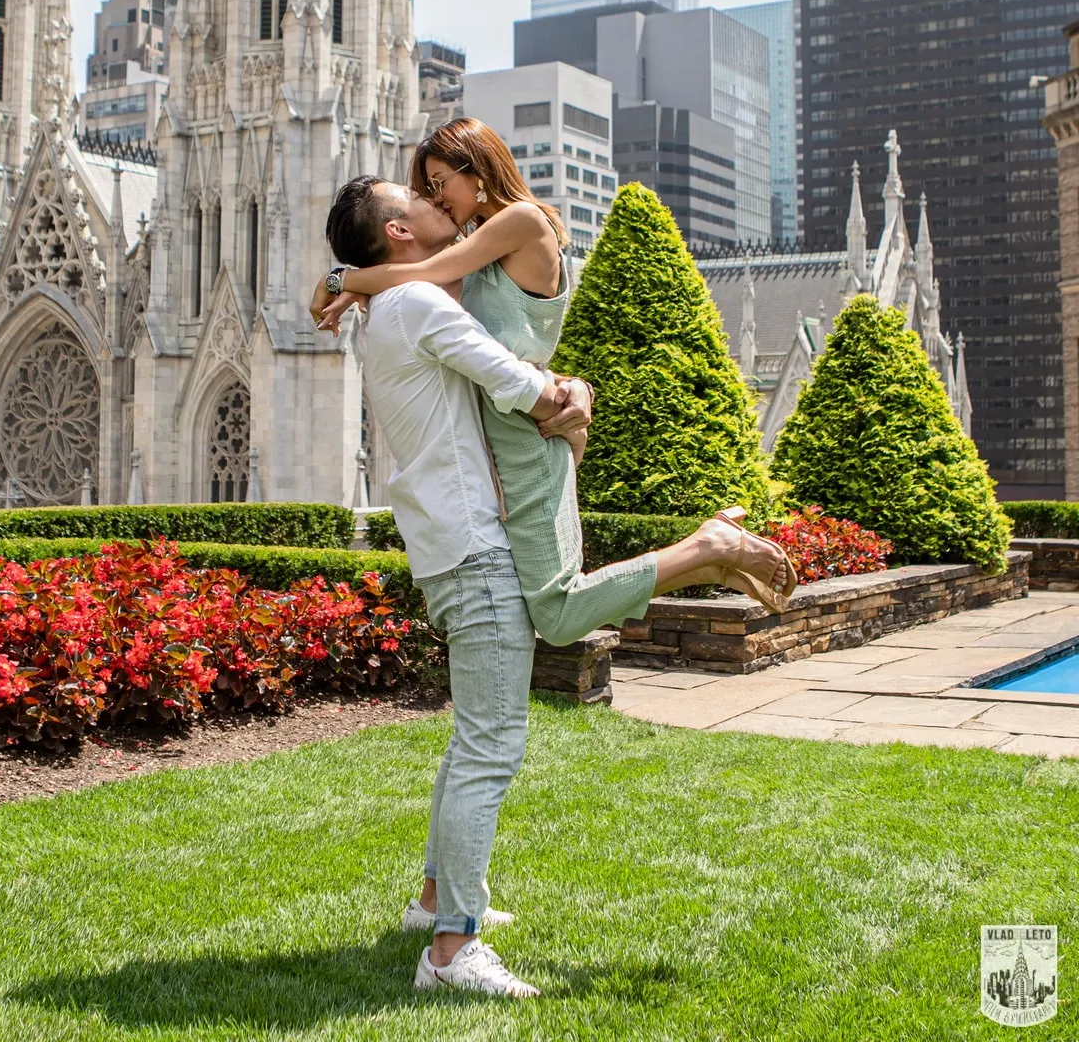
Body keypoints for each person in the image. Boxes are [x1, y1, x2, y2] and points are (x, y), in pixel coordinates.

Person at [319, 173, 797, 1000]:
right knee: (491, 744)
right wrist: (572, 394)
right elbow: (528, 389)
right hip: (474, 550)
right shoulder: (424, 308)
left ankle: (437, 899)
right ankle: (450, 948)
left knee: (474, 735)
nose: (445, 210)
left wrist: (341, 283)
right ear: (399, 231)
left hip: (449, 546)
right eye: (425, 201)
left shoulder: (393, 309)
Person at [313, 119, 796, 649]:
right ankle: (710, 560)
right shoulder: (476, 250)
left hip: (528, 437)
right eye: (424, 190)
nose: (436, 198)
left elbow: (424, 276)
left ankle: (709, 546)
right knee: (553, 605)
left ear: (477, 171)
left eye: (438, 182)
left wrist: (342, 279)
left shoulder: (520, 221)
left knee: (559, 614)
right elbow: (423, 290)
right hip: (509, 432)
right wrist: (357, 286)